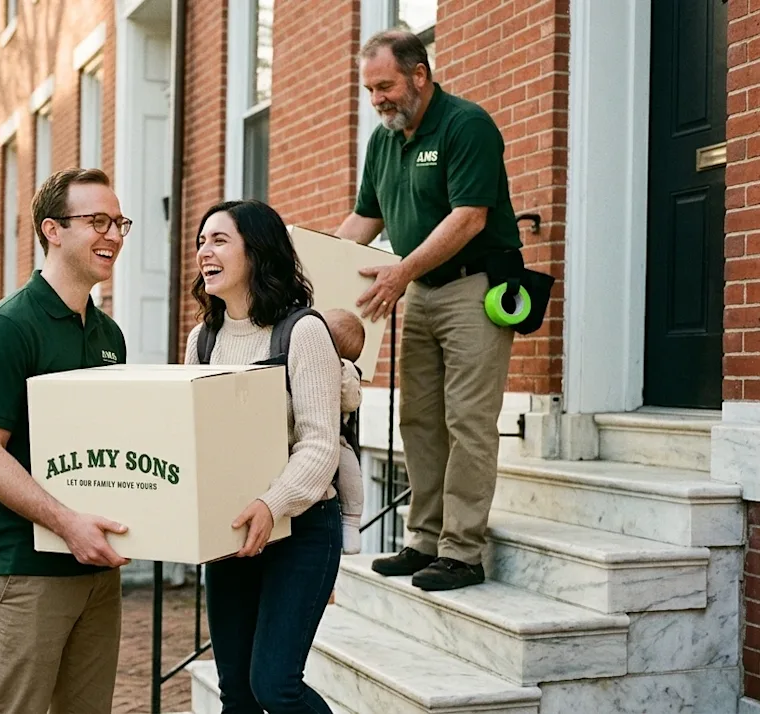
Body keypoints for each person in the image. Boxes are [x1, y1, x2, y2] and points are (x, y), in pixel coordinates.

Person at [334, 29, 521, 591]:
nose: (378, 100)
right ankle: (423, 540)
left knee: (467, 419)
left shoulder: (466, 125)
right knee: (417, 418)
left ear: (420, 75)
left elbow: (470, 217)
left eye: (385, 86)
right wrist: (311, 266)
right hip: (415, 290)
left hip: (473, 287)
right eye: (369, 90)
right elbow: (365, 220)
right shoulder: (383, 141)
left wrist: (401, 270)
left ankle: (462, 551)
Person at [0, 167, 132, 713]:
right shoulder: (8, 329)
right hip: (24, 568)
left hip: (97, 567)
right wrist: (67, 523)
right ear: (52, 230)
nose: (112, 235)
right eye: (97, 221)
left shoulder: (109, 335)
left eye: (119, 222)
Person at [186, 199, 343, 713]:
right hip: (231, 534)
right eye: (201, 241)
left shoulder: (303, 332)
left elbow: (320, 446)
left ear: (257, 252)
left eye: (219, 240)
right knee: (237, 691)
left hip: (301, 530)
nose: (204, 251)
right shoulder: (202, 340)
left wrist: (272, 504)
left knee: (275, 683)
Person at [321, 308, 365, 555]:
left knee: (350, 473)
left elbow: (350, 402)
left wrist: (341, 372)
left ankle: (351, 521)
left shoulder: (345, 368)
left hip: (337, 436)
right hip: (309, 433)